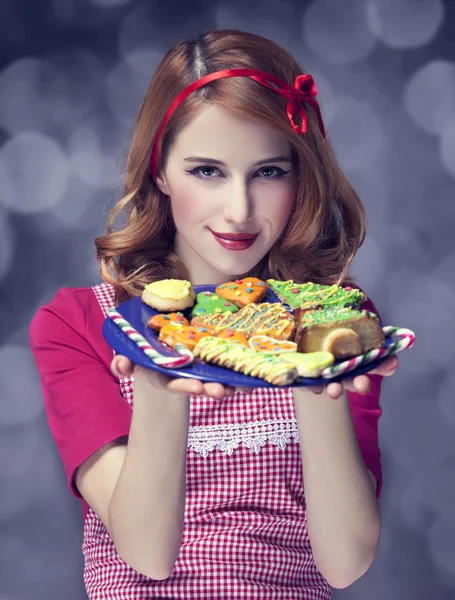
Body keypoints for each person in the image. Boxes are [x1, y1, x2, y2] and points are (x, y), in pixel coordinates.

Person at [29, 28, 399, 600]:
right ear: (160, 171)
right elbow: (148, 554)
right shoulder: (79, 325)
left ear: (301, 176)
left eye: (270, 172)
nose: (239, 210)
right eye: (207, 171)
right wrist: (155, 375)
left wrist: (312, 370)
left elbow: (345, 563)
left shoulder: (336, 315)